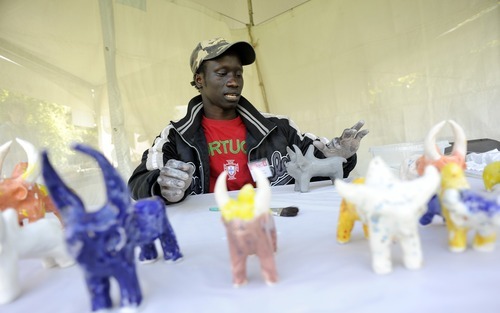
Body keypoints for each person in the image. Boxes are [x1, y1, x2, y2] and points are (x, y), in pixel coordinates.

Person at [128, 37, 368, 204]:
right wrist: (162, 186)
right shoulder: (175, 135)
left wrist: (339, 155)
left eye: (238, 73)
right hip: (208, 226)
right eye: (222, 73)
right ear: (199, 80)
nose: (233, 81)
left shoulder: (278, 127)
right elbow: (138, 183)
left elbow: (319, 164)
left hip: (272, 219)